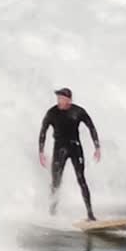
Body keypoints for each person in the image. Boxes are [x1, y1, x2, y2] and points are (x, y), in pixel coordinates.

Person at [38, 87, 101, 218]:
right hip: (59, 149)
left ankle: (90, 215)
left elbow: (91, 127)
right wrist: (41, 152)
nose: (59, 101)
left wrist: (97, 148)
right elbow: (43, 131)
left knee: (81, 179)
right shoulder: (52, 112)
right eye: (58, 98)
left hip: (75, 147)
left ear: (69, 100)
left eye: (62, 98)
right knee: (56, 181)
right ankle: (52, 213)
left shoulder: (78, 111)